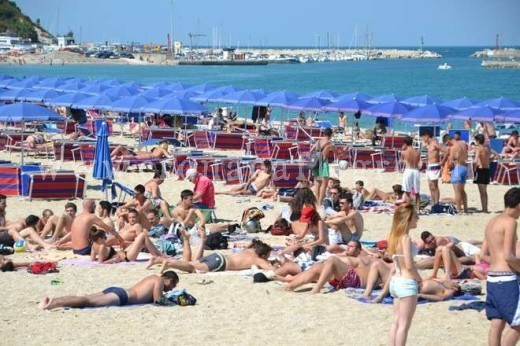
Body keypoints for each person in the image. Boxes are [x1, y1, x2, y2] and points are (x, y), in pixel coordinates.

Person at [482, 187, 520, 346]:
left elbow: (483, 255)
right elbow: (509, 256)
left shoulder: (492, 222)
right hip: (507, 280)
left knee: (497, 323)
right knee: (518, 324)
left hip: (492, 279)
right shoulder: (510, 222)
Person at [38, 271, 179, 310]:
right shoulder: (159, 280)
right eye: (173, 285)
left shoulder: (151, 277)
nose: (171, 288)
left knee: (85, 297)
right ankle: (52, 304)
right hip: (123, 296)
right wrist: (174, 302)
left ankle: (52, 299)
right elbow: (158, 300)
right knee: (87, 301)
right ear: (169, 280)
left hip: (118, 290)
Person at [151, 231, 275, 273]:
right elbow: (271, 270)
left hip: (218, 256)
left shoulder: (250, 250)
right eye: (267, 256)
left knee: (189, 262)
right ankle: (168, 264)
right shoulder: (258, 259)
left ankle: (158, 260)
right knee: (191, 268)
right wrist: (274, 263)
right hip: (220, 263)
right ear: (263, 255)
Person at [387, 204, 422, 346]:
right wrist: (419, 279)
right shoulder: (405, 238)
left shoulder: (394, 236)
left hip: (396, 281)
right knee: (404, 325)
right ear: (407, 218)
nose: (417, 219)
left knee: (396, 322)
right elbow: (409, 264)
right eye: (415, 216)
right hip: (406, 282)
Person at [57, 199, 123, 255]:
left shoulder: (77, 217)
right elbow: (110, 229)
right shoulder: (91, 217)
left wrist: (61, 241)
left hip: (75, 250)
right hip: (85, 250)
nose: (95, 208)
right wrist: (121, 239)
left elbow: (72, 233)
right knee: (112, 246)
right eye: (94, 206)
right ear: (91, 206)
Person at [90, 228, 163, 264]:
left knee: (141, 240)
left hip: (124, 253)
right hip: (126, 257)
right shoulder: (102, 246)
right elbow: (100, 263)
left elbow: (92, 259)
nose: (106, 239)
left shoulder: (94, 245)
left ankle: (159, 255)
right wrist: (112, 260)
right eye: (104, 237)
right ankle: (157, 256)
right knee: (143, 235)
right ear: (100, 239)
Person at [443, 134, 469, 213]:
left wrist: (449, 164)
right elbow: (467, 156)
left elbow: (451, 163)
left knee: (457, 191)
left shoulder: (453, 148)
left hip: (457, 168)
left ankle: (459, 209)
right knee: (462, 190)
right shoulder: (463, 144)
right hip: (465, 167)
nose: (447, 146)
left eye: (447, 144)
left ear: (448, 140)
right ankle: (465, 209)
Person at [310, 128, 334, 205]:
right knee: (324, 183)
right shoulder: (329, 143)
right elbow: (337, 153)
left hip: (316, 163)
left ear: (323, 134)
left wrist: (316, 156)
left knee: (317, 183)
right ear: (331, 135)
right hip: (323, 163)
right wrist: (343, 150)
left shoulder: (318, 142)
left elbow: (311, 151)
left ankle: (317, 201)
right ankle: (320, 202)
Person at [400, 136, 421, 211]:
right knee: (417, 191)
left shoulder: (404, 152)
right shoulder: (417, 152)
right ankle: (418, 209)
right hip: (415, 170)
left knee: (407, 191)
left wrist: (402, 149)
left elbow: (401, 161)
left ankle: (409, 209)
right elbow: (418, 162)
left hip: (408, 170)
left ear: (405, 143)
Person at [473, 134, 492, 213]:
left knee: (482, 191)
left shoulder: (478, 149)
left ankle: (484, 209)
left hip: (480, 170)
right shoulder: (487, 148)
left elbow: (475, 160)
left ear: (477, 141)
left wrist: (474, 166)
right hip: (487, 169)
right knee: (485, 191)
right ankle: (485, 208)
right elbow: (492, 155)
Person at [422, 129, 441, 205]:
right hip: (429, 166)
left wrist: (442, 162)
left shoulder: (434, 143)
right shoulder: (429, 145)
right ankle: (434, 202)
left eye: (423, 137)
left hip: (434, 166)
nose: (423, 139)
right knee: (430, 186)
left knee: (434, 186)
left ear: (427, 136)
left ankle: (437, 203)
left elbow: (444, 150)